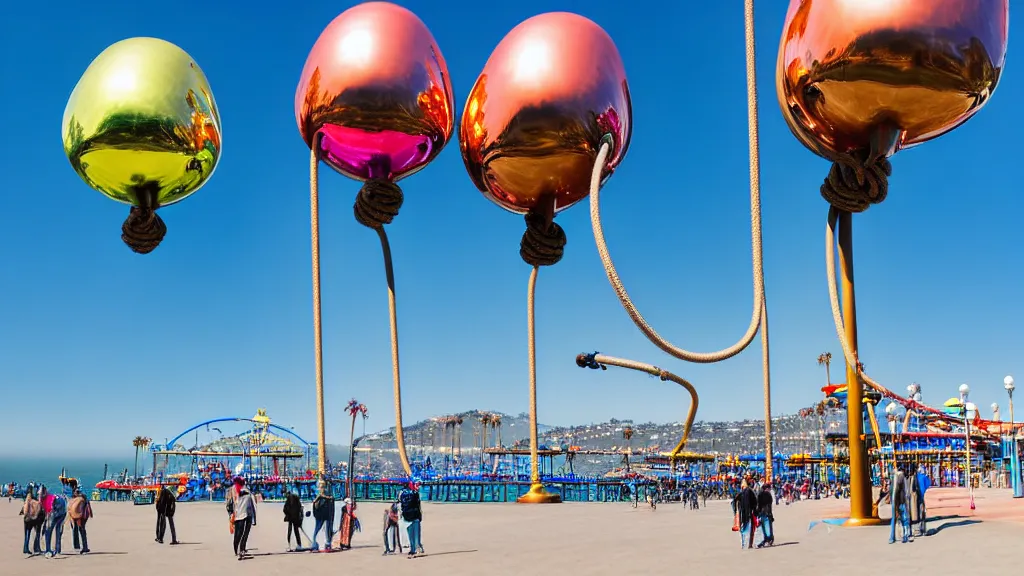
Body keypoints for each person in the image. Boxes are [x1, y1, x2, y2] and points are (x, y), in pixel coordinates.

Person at [231, 477, 256, 559]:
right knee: (243, 533)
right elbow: (252, 504)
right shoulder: (246, 491)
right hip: (245, 514)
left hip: (239, 514)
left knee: (239, 533)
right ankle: (240, 550)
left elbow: (231, 503)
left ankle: (238, 549)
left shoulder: (235, 489)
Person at [399, 482, 423, 557]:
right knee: (416, 533)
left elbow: (400, 504)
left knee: (410, 533)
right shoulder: (415, 493)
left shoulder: (402, 493)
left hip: (407, 516)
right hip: (415, 515)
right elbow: (418, 505)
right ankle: (417, 548)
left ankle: (412, 549)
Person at [889, 467, 911, 544]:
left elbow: (891, 490)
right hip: (901, 501)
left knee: (894, 519)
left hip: (894, 501)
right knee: (904, 518)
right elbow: (905, 491)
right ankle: (905, 535)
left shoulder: (893, 478)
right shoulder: (902, 477)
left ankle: (892, 537)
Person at [310, 486, 335, 551]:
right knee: (320, 528)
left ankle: (324, 543)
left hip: (323, 515)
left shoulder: (325, 498)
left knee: (323, 528)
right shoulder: (322, 498)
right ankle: (317, 543)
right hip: (322, 515)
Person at [68, 489, 92, 554]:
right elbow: (87, 508)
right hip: (81, 517)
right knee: (81, 531)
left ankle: (78, 546)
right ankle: (83, 546)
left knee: (77, 530)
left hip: (76, 517)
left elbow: (70, 508)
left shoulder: (76, 499)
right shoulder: (83, 498)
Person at [44, 491, 67, 557]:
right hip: (62, 512)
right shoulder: (59, 498)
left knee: (48, 531)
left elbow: (48, 511)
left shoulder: (49, 500)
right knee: (58, 530)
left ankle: (48, 550)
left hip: (57, 513)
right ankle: (57, 550)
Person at [21, 488, 43, 555]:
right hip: (35, 520)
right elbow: (41, 511)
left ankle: (25, 548)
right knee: (38, 533)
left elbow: (23, 511)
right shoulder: (36, 502)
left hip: (27, 519)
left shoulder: (27, 501)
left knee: (27, 534)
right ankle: (36, 548)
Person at [737, 479, 757, 550]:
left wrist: (736, 511)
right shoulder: (750, 491)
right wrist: (755, 511)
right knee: (750, 528)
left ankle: (744, 544)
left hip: (743, 513)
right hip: (750, 512)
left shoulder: (741, 493)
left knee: (744, 528)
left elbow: (735, 502)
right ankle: (749, 544)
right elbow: (755, 502)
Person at [914, 466, 931, 537]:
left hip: (915, 497)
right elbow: (928, 484)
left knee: (916, 512)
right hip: (922, 496)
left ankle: (916, 529)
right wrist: (927, 476)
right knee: (922, 513)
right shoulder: (924, 477)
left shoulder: (915, 477)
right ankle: (923, 530)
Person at [756, 484, 774, 548]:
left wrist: (757, 513)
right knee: (768, 527)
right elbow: (769, 506)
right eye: (769, 488)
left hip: (762, 513)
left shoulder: (760, 494)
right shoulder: (768, 495)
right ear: (766, 488)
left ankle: (767, 539)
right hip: (766, 513)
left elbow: (758, 505)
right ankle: (768, 539)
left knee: (764, 527)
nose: (770, 490)